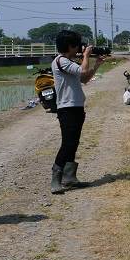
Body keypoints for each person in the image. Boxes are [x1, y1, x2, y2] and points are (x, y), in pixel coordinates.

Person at [49, 30, 106, 194]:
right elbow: (82, 71)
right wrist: (87, 56)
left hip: (76, 106)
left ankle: (69, 177)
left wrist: (96, 65)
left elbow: (84, 79)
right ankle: (56, 178)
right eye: (77, 45)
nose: (79, 48)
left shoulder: (69, 61)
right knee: (67, 144)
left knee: (73, 143)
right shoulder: (61, 61)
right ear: (69, 46)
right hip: (67, 108)